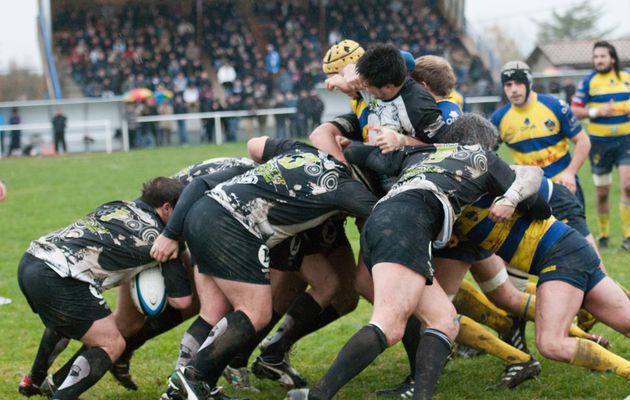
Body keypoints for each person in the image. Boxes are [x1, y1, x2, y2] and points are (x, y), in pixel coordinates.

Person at [288, 131, 546, 399]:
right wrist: (512, 192)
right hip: (408, 223)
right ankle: (317, 396)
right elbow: (538, 207)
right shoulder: (484, 158)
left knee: (444, 321)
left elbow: (371, 157)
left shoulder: (427, 152)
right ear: (485, 144)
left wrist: (348, 145)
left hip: (380, 221)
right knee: (389, 326)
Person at [151, 137, 378, 400]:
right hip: (230, 223)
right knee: (253, 312)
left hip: (209, 212)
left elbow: (255, 144)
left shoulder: (302, 151)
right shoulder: (344, 187)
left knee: (226, 309)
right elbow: (382, 214)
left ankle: (199, 385)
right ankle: (188, 382)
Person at [17, 177, 192, 399]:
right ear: (167, 208)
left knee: (69, 320)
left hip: (32, 258)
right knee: (112, 343)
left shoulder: (117, 205)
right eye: (183, 209)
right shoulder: (163, 241)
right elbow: (182, 301)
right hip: (57, 277)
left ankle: (34, 379)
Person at [492, 61, 590, 207]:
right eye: (508, 85)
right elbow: (484, 154)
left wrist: (570, 173)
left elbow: (583, 141)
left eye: (519, 83)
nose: (513, 90)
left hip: (563, 186)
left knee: (576, 230)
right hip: (529, 192)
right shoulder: (498, 119)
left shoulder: (555, 106)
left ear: (528, 83)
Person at [570, 41, 630, 249]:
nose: (599, 60)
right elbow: (575, 109)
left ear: (612, 58)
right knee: (602, 191)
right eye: (596, 57)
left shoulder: (626, 78)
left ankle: (627, 237)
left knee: (628, 185)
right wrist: (597, 111)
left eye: (602, 56)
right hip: (599, 144)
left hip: (625, 141)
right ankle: (604, 235)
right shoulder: (588, 82)